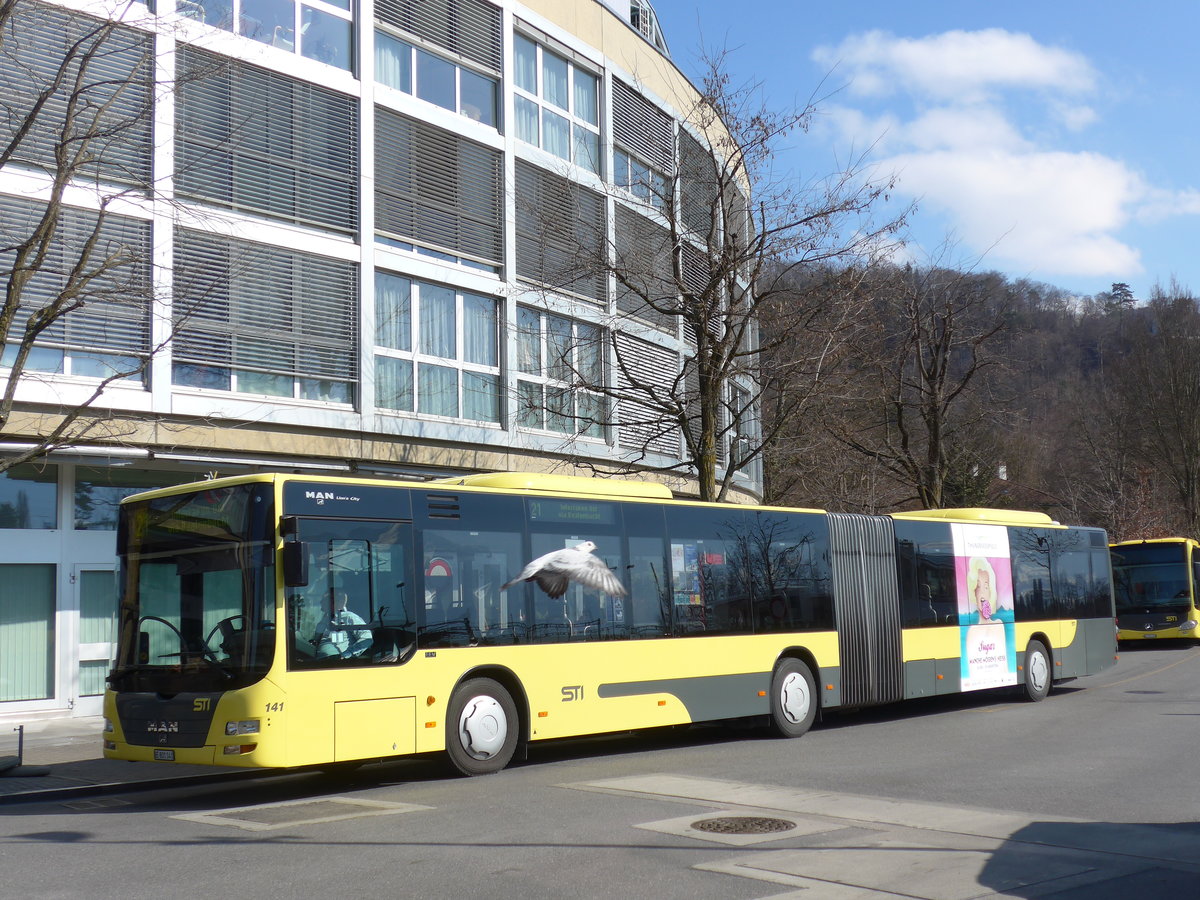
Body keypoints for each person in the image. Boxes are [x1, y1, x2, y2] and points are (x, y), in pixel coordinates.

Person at [313, 593, 373, 658]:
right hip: (318, 663)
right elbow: (316, 643)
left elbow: (367, 639)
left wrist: (346, 654)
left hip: (340, 664)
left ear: (336, 602)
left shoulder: (348, 617)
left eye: (324, 599)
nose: (321, 602)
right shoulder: (322, 622)